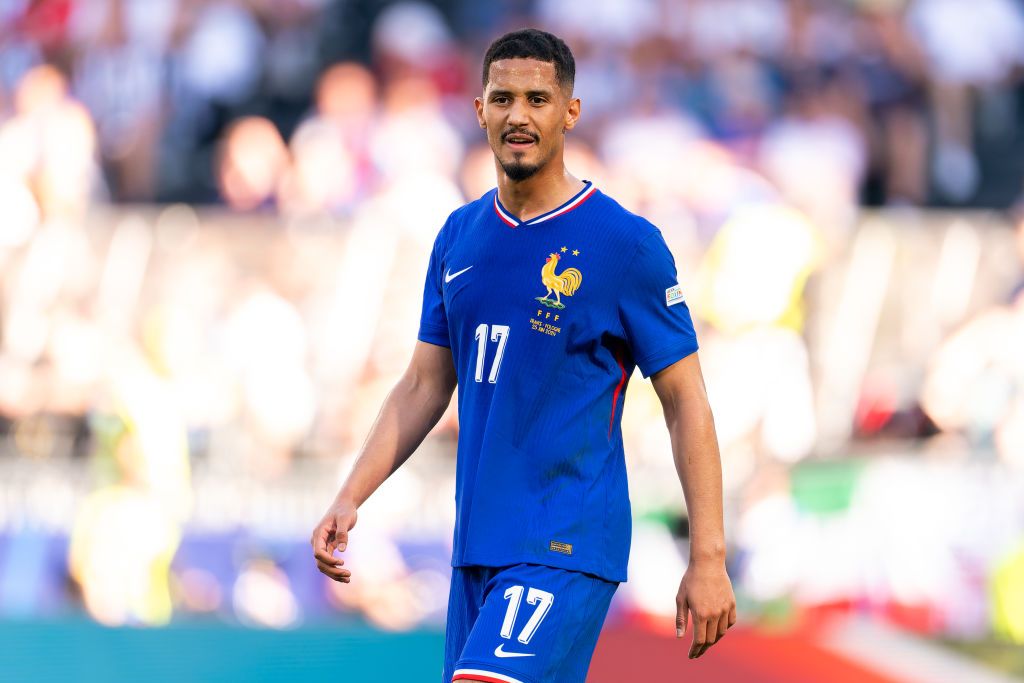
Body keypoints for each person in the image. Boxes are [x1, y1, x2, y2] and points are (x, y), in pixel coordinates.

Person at [311, 28, 736, 683]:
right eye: (502, 98)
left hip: (564, 541)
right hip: (476, 545)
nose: (518, 115)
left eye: (538, 99)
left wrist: (708, 554)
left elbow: (686, 399)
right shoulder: (460, 236)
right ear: (478, 109)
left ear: (570, 112)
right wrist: (351, 494)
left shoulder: (624, 243)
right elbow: (425, 382)